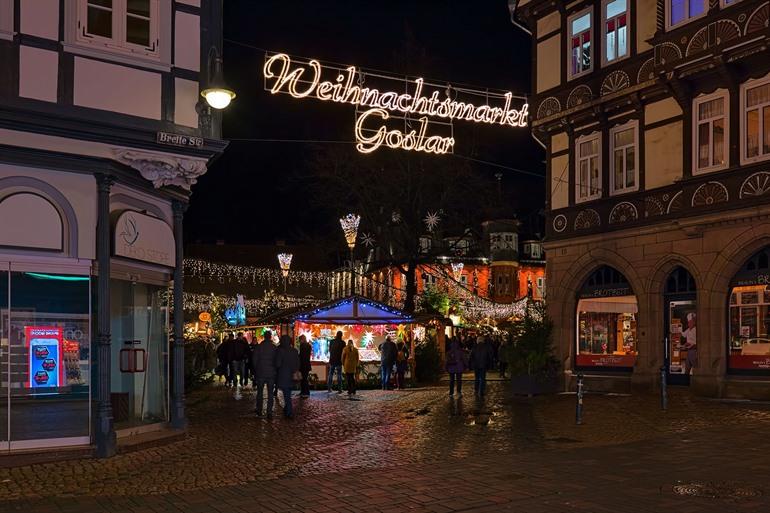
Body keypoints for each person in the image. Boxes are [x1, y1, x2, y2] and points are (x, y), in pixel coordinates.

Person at [252, 330, 278, 419]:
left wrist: (257, 369)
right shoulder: (274, 347)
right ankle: (269, 412)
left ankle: (259, 410)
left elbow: (254, 360)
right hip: (271, 373)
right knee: (270, 393)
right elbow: (277, 361)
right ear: (270, 337)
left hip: (261, 372)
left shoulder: (259, 347)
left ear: (264, 337)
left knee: (260, 392)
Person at [275, 335, 300, 418]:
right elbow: (297, 363)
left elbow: (277, 364)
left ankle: (289, 412)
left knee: (286, 395)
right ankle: (287, 409)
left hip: (283, 375)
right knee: (288, 393)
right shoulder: (294, 351)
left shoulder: (281, 351)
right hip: (292, 375)